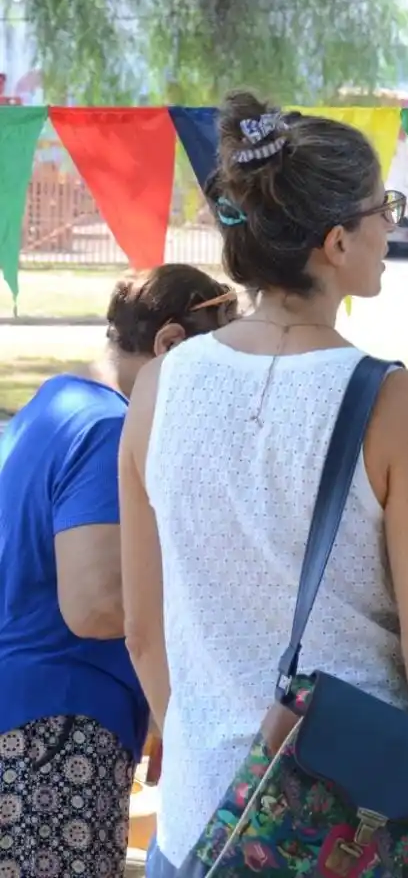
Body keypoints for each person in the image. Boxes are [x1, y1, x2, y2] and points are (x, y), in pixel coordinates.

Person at [118, 92, 408, 878]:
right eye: (383, 207)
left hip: (197, 831)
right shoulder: (397, 404)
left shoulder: (158, 385)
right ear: (334, 241)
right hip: (351, 834)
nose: (393, 224)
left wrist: (219, 768)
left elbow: (142, 632)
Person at [0, 264, 237, 878]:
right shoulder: (109, 428)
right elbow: (97, 606)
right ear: (170, 343)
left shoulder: (56, 400)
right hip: (54, 735)